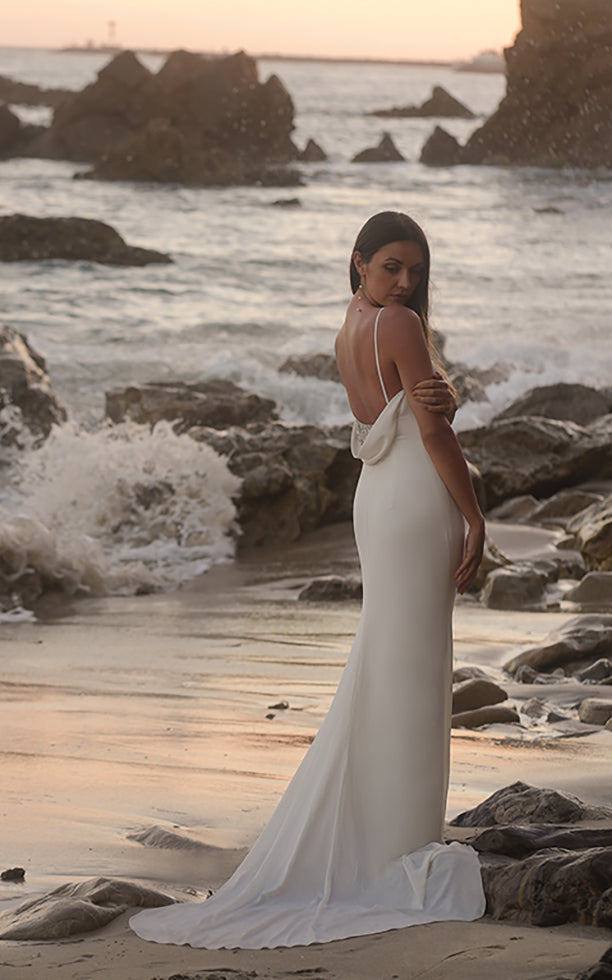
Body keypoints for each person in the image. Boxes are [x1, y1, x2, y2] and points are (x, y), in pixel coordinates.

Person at [129, 211, 486, 950]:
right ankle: (398, 848)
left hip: (376, 497)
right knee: (413, 672)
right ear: (358, 261)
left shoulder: (350, 326)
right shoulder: (399, 326)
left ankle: (380, 832)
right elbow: (432, 430)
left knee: (389, 666)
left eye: (414, 270)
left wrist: (441, 393)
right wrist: (475, 513)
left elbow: (398, 412)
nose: (405, 282)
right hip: (416, 496)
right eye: (391, 266)